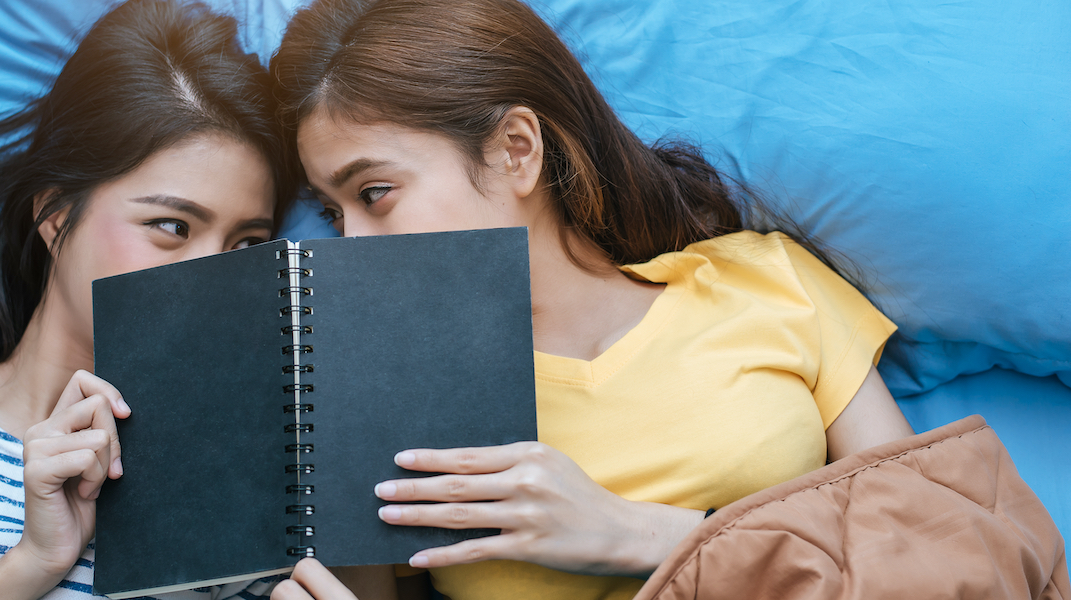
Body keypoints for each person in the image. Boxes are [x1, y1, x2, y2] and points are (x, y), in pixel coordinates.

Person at [266, 0, 918, 599]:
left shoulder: (767, 282)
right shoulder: (378, 395)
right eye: (331, 212)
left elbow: (931, 544)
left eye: (374, 192)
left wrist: (641, 536)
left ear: (515, 151)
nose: (349, 243)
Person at [0, 0, 289, 597]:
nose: (213, 277)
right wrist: (35, 562)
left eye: (247, 243)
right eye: (172, 226)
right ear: (55, 214)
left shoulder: (242, 499)